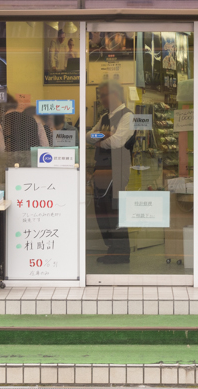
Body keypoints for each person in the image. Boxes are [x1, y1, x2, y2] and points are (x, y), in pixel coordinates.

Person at [87, 80, 134, 264]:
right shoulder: (104, 117)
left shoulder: (128, 116)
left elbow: (118, 141)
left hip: (117, 169)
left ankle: (121, 252)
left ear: (115, 94)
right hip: (102, 170)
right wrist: (104, 135)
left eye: (104, 95)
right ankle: (113, 249)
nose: (102, 99)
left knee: (115, 210)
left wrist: (101, 141)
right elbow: (88, 136)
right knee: (102, 210)